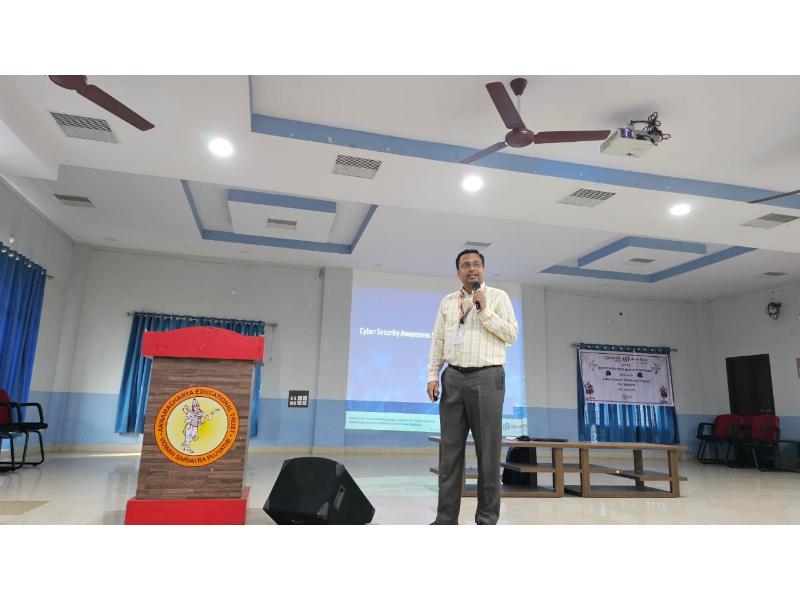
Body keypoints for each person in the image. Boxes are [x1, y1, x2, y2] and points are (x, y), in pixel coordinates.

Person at [426, 249, 518, 525]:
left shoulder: (498, 297)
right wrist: (432, 375)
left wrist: (485, 310)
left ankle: (486, 520)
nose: (472, 269)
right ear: (458, 272)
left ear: (484, 270)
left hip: (487, 378)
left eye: (476, 264)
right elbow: (438, 340)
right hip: (453, 378)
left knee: (488, 453)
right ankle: (445, 520)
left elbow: (511, 334)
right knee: (450, 454)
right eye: (465, 265)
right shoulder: (447, 302)